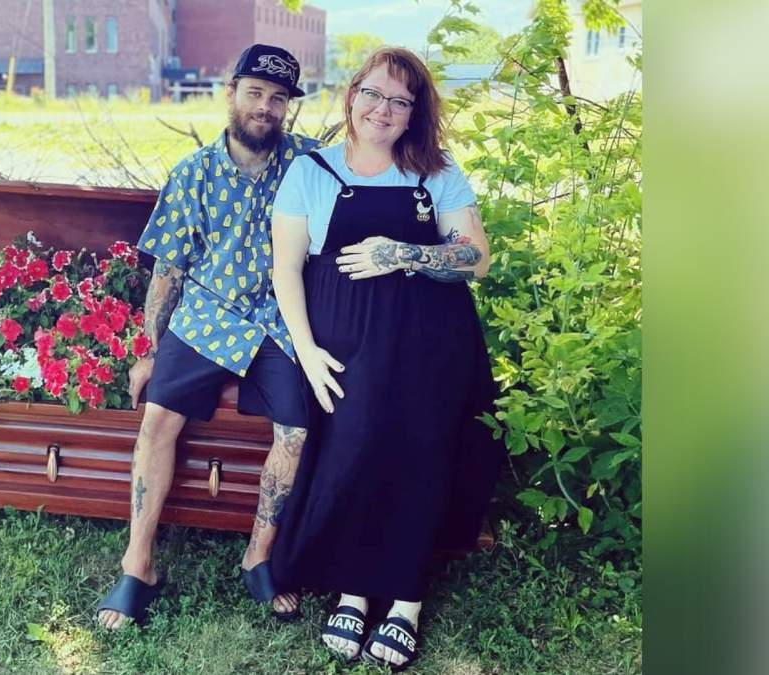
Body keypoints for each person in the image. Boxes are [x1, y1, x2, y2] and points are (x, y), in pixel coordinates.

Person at [267, 47, 505, 670]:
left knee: (422, 456)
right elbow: (286, 267)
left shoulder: (436, 172)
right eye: (374, 93)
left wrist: (404, 252)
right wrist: (307, 352)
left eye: (400, 100)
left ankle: (405, 600)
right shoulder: (310, 172)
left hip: (432, 347)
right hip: (343, 349)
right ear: (351, 96)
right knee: (356, 450)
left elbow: (476, 259)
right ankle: (352, 587)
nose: (383, 108)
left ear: (413, 114)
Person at [95, 44, 321, 630]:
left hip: (277, 320)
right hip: (206, 315)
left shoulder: (310, 165)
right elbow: (167, 271)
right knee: (158, 419)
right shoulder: (192, 173)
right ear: (231, 92)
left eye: (278, 99)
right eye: (255, 93)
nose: (265, 108)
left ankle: (258, 557)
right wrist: (149, 351)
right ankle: (137, 564)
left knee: (296, 430)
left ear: (287, 108)